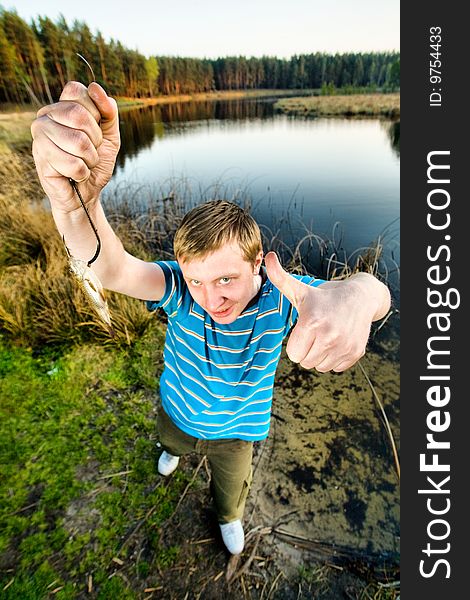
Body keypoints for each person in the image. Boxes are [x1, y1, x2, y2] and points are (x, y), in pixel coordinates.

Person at [31, 81, 391, 556]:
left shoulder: (285, 299)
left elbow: (375, 295)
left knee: (231, 488)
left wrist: (360, 296)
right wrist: (75, 204)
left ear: (257, 262)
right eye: (197, 280)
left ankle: (228, 517)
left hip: (238, 433)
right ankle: (172, 453)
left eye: (225, 280)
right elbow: (113, 269)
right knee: (172, 443)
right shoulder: (179, 290)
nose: (208, 298)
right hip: (177, 413)